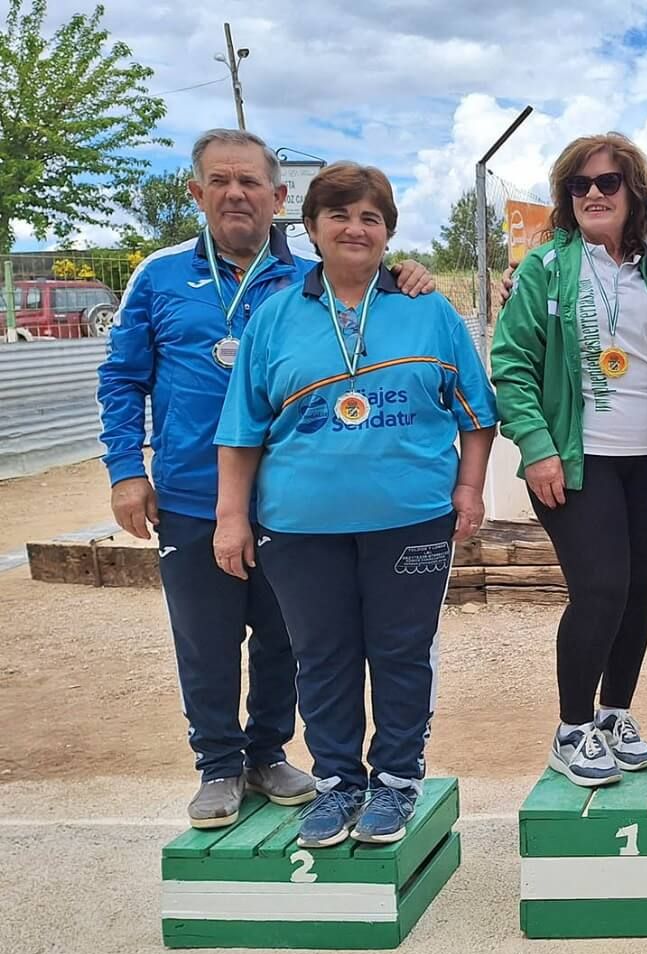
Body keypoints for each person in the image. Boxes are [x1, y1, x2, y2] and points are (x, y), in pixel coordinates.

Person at [96, 129, 433, 829]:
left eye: (250, 182)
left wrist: (410, 273)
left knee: (291, 637)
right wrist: (128, 470)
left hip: (290, 500)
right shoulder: (158, 276)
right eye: (219, 181)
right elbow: (121, 378)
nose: (235, 193)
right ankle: (219, 764)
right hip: (192, 492)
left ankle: (269, 751)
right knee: (205, 635)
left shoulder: (306, 280)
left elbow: (373, 284)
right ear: (196, 192)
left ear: (280, 199)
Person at [213, 162, 496, 847]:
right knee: (323, 656)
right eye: (339, 215)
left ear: (388, 233)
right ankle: (338, 784)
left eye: (370, 217)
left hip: (412, 518)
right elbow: (242, 427)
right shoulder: (276, 317)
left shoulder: (425, 308)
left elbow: (477, 414)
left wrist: (469, 488)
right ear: (311, 229)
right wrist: (230, 516)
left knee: (401, 652)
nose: (354, 227)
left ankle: (397, 781)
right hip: (300, 525)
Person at [491, 133, 647, 788]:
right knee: (600, 588)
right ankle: (572, 727)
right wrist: (536, 448)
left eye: (609, 182)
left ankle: (615, 713)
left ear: (634, 191)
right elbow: (510, 366)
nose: (594, 193)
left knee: (639, 593)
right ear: (566, 198)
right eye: (579, 185)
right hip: (576, 459)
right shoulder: (545, 269)